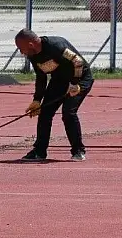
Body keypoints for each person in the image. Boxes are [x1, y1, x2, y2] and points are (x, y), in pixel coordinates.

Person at [14, 28, 94, 161]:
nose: (22, 53)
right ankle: (39, 151)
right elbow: (41, 77)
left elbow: (78, 62)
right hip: (60, 80)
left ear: (30, 45)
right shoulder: (33, 55)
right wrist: (37, 100)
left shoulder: (56, 46)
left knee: (68, 112)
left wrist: (74, 84)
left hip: (80, 78)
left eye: (21, 49)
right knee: (45, 112)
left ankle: (78, 150)